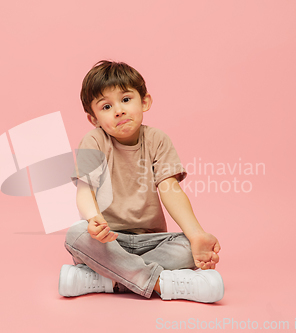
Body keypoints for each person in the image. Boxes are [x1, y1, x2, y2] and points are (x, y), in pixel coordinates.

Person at [59, 60, 224, 303]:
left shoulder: (157, 139)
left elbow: (171, 189)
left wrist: (197, 234)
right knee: (76, 233)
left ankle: (109, 280)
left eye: (126, 100)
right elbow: (85, 190)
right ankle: (160, 282)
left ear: (144, 101)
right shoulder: (93, 141)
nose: (119, 110)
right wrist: (94, 220)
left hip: (151, 242)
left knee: (188, 245)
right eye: (106, 106)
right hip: (108, 242)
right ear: (93, 118)